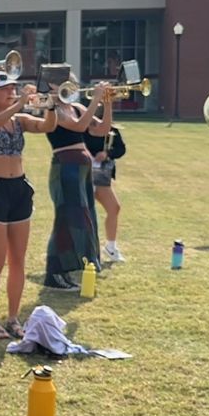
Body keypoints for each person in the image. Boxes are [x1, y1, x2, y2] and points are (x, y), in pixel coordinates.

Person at [0, 73, 55, 340]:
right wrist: (18, 103)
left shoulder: (19, 120)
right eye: (4, 88)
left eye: (13, 87)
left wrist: (51, 103)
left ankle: (13, 318)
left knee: (18, 260)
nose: (10, 90)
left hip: (19, 189)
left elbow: (48, 126)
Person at [42, 74, 109, 291]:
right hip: (65, 166)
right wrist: (96, 100)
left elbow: (102, 129)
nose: (73, 86)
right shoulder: (54, 109)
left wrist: (107, 104)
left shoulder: (77, 107)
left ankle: (69, 268)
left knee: (84, 216)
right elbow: (80, 127)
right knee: (66, 218)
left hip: (81, 168)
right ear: (54, 85)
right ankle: (54, 272)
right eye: (67, 82)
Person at [84, 109, 127, 260]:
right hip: (84, 174)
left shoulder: (112, 130)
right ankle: (82, 249)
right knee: (84, 212)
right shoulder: (83, 129)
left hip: (102, 175)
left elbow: (121, 149)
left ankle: (111, 247)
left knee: (114, 208)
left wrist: (107, 154)